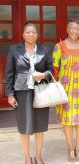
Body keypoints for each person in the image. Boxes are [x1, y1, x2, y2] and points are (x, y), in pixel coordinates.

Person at [5, 23, 53, 164]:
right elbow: (9, 73)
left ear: (37, 35)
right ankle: (27, 156)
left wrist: (44, 75)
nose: (31, 35)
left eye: (33, 32)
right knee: (24, 126)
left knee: (40, 125)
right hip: (21, 92)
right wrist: (10, 94)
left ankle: (38, 156)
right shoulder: (14, 49)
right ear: (23, 34)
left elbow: (51, 71)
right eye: (28, 32)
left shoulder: (44, 49)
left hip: (41, 92)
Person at [52, 19, 79, 162]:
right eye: (72, 28)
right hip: (65, 90)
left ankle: (78, 149)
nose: (75, 31)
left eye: (78, 29)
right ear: (67, 29)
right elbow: (55, 69)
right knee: (68, 121)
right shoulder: (58, 47)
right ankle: (70, 149)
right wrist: (54, 88)